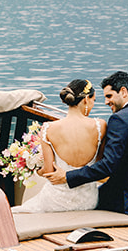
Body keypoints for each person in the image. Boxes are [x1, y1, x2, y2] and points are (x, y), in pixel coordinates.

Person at [49, 70, 128, 214]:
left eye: (109, 96)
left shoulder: (119, 119)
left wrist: (67, 177)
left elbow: (107, 166)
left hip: (127, 202)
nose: (106, 102)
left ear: (123, 91)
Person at [15, 78, 108, 214]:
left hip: (56, 201)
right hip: (89, 201)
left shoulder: (48, 128)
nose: (93, 104)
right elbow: (99, 167)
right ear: (86, 99)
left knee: (18, 211)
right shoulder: (100, 126)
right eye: (94, 100)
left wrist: (36, 170)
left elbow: (49, 171)